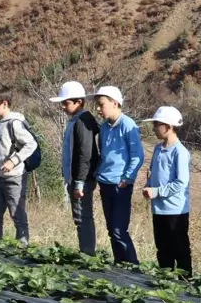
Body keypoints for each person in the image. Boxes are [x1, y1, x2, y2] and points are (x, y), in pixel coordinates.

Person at [94, 86, 143, 264]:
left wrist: (127, 179)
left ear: (115, 103)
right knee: (110, 229)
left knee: (119, 229)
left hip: (119, 185)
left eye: (101, 104)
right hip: (105, 183)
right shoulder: (104, 127)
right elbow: (103, 153)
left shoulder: (128, 125)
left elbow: (137, 155)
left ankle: (133, 267)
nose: (98, 109)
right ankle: (119, 265)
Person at [140, 106, 191, 275]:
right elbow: (154, 171)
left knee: (180, 248)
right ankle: (165, 281)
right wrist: (148, 186)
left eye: (157, 124)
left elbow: (181, 182)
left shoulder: (180, 152)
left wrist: (156, 192)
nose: (154, 128)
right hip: (158, 209)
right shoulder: (157, 149)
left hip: (175, 210)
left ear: (168, 127)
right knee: (162, 248)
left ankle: (186, 284)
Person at [0, 88, 36, 244]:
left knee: (17, 214)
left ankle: (22, 247)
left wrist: (13, 161)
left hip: (14, 177)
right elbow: (3, 146)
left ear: (4, 103)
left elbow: (31, 144)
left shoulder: (14, 123)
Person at [53, 81, 99, 254]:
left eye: (66, 103)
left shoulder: (83, 121)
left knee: (82, 217)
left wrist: (79, 181)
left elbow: (84, 154)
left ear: (78, 102)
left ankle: (87, 254)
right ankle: (85, 252)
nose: (63, 107)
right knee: (80, 217)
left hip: (82, 180)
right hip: (77, 178)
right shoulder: (76, 120)